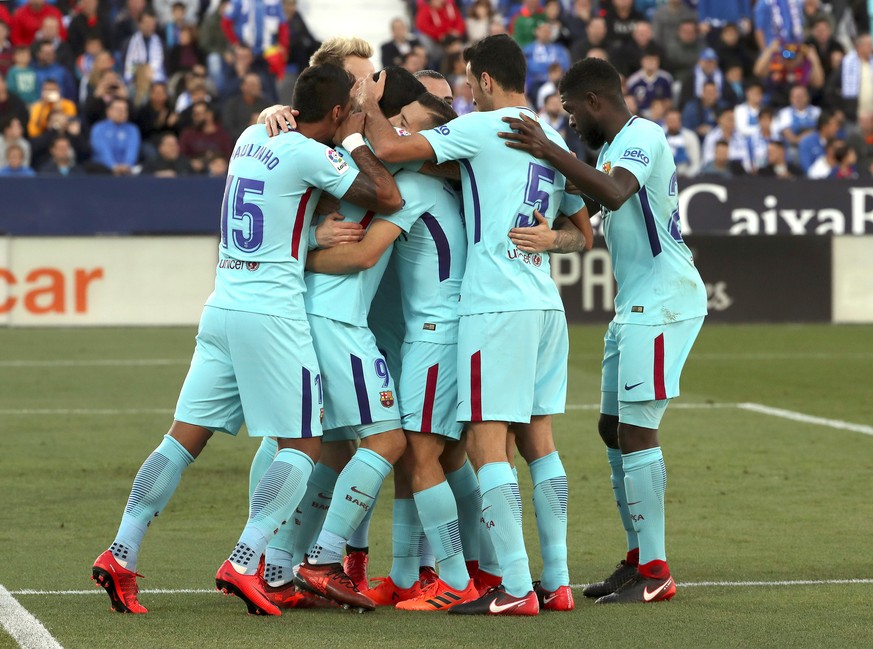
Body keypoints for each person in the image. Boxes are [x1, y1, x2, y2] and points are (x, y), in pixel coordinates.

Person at [90, 62, 401, 617]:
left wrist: (306, 230)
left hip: (222, 307)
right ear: (333, 113)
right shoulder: (313, 153)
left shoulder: (251, 134)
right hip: (273, 317)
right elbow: (387, 195)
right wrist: (355, 135)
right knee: (304, 444)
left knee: (181, 440)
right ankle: (245, 558)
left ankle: (122, 551)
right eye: (345, 110)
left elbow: (273, 203)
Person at [361, 34, 587, 616]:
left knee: (488, 447)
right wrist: (551, 238)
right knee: (540, 445)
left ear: (484, 80)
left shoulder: (485, 127)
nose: (465, 92)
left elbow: (386, 146)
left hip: (496, 307)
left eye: (467, 82)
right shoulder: (551, 137)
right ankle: (556, 581)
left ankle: (513, 588)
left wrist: (366, 94)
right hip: (544, 305)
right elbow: (583, 235)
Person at [499, 56, 707, 604]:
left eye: (570, 112)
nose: (569, 123)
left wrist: (550, 150)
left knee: (636, 430)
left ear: (595, 102)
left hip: (665, 302)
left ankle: (656, 570)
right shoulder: (612, 152)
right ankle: (638, 557)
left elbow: (614, 194)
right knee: (611, 428)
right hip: (636, 304)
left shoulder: (643, 137)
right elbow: (587, 218)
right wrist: (554, 236)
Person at [301, 91, 485, 613]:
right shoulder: (446, 186)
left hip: (434, 334)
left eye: (406, 125)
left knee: (416, 453)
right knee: (437, 454)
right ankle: (415, 575)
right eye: (398, 121)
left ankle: (453, 579)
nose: (397, 131)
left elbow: (360, 254)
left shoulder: (416, 186)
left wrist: (288, 259)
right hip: (440, 332)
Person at [89, 97, 140, 175]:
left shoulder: (132, 130)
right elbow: (102, 150)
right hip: (103, 170)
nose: (121, 113)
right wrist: (113, 166)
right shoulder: (98, 128)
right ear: (108, 111)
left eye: (124, 110)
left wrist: (127, 165)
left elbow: (132, 150)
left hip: (126, 171)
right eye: (118, 110)